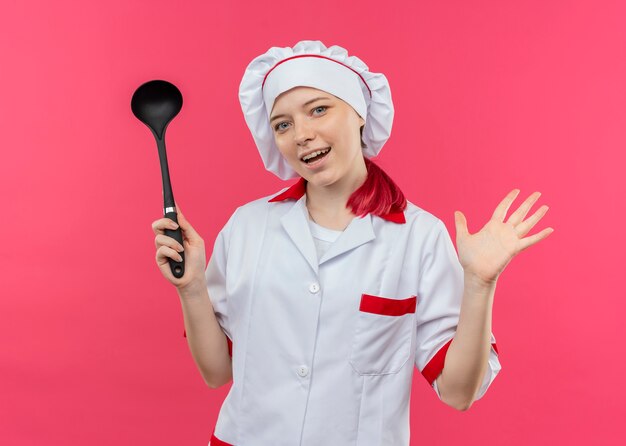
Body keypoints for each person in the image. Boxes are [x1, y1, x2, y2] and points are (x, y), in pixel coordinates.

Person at [151, 40, 553, 446]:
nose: (302, 135)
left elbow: (458, 392)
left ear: (359, 112)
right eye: (282, 124)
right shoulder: (247, 227)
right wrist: (193, 287)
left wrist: (480, 285)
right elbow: (217, 372)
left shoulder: (418, 237)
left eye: (319, 109)